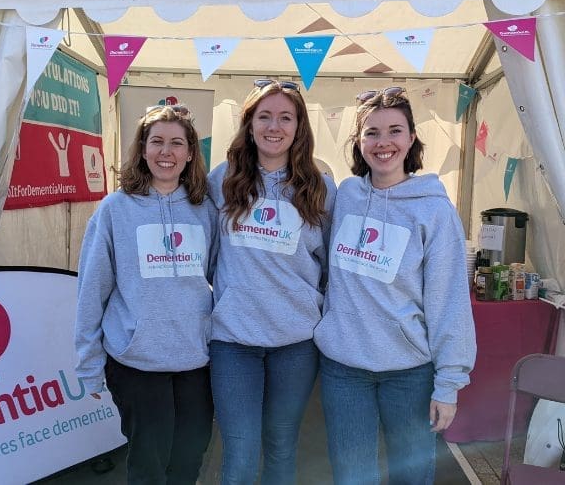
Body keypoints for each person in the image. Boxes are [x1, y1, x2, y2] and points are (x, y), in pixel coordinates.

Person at [313, 87, 477, 484]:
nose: (383, 143)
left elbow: (449, 300)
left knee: (412, 475)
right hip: (344, 369)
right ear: (358, 142)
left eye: (394, 131)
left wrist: (449, 383)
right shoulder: (346, 195)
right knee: (352, 476)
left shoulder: (434, 210)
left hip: (408, 372)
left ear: (411, 138)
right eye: (372, 132)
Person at [75, 104, 217, 485]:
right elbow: (92, 290)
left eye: (176, 143)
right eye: (156, 142)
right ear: (142, 149)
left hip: (195, 360)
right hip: (137, 361)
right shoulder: (114, 210)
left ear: (190, 153)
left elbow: (223, 276)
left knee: (189, 458)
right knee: (149, 464)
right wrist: (88, 364)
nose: (166, 152)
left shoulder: (206, 210)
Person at [207, 79, 336, 484]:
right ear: (249, 124)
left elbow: (331, 263)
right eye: (264, 116)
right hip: (233, 342)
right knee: (241, 454)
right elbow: (207, 253)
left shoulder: (320, 187)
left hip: (295, 344)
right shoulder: (222, 180)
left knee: (281, 447)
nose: (274, 126)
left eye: (285, 117)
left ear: (299, 126)